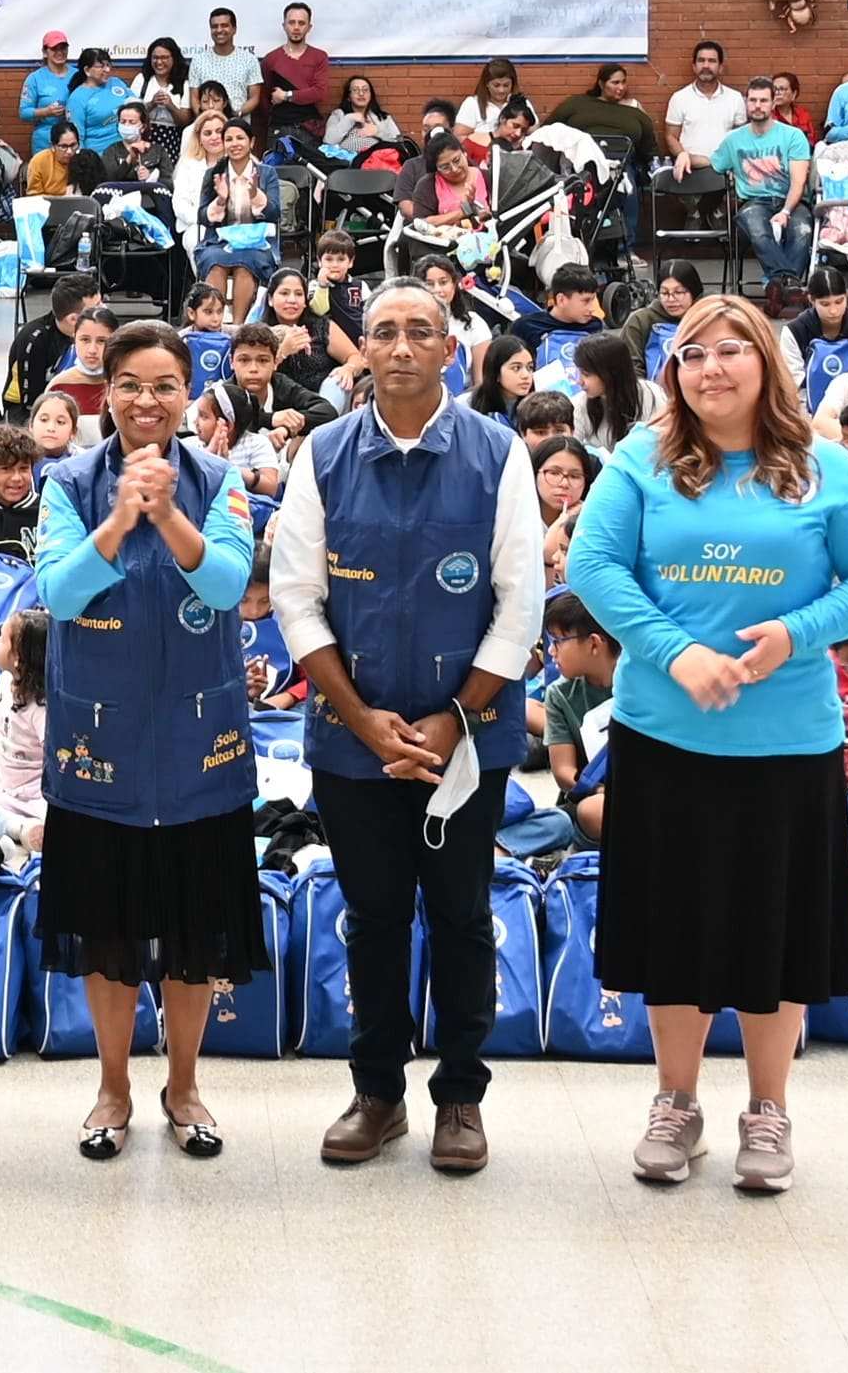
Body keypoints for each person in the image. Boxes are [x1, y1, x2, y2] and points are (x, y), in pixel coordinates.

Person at [563, 293, 848, 1194]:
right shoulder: (641, 459)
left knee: (774, 931)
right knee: (671, 929)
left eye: (730, 349)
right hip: (664, 734)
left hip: (787, 741)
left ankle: (768, 1107)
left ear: (767, 360)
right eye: (690, 352)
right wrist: (675, 654)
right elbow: (592, 566)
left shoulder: (824, 468)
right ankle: (676, 1101)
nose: (710, 367)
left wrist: (796, 633)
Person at [261, 281, 540, 1172]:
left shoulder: (498, 454)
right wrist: (364, 721)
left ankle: (461, 1095)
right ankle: (376, 1091)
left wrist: (455, 720)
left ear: (452, 348)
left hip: (469, 738)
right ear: (363, 350)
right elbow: (300, 602)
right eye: (384, 331)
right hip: (354, 741)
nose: (402, 346)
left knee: (460, 914)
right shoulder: (323, 455)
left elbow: (520, 606)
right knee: (372, 915)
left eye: (422, 331)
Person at [24, 318, 257, 1163]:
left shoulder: (222, 480)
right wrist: (120, 521)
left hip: (201, 748)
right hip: (100, 745)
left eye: (165, 385)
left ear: (187, 393)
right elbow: (59, 590)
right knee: (110, 934)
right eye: (130, 384)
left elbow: (229, 583)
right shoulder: (68, 483)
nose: (147, 400)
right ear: (106, 391)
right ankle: (114, 1087)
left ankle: (185, 1083)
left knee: (193, 936)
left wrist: (170, 517)